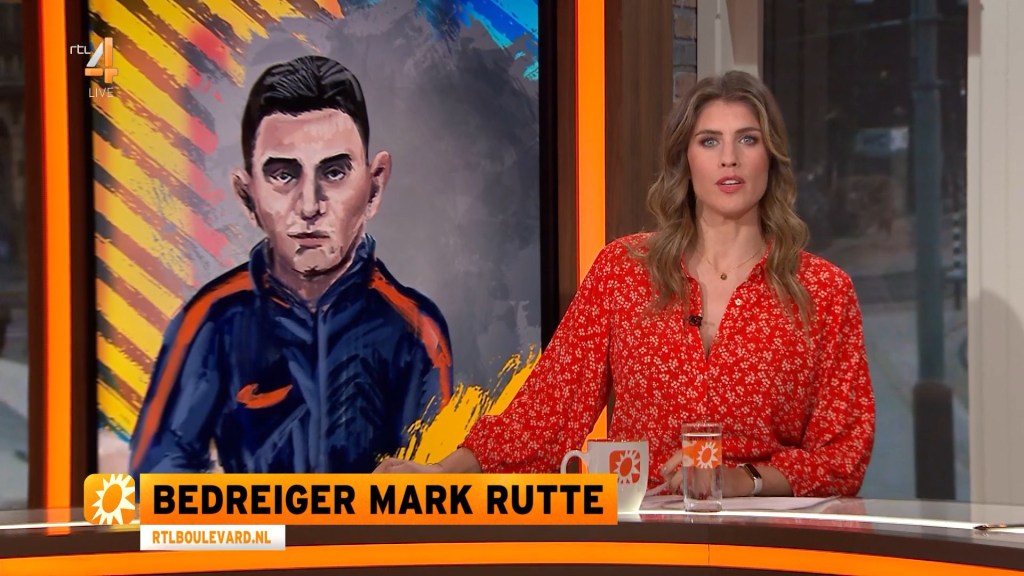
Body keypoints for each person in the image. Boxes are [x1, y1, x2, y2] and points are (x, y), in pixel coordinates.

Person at [375, 70, 875, 498]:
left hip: (768, 541)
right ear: (686, 160)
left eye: (748, 139)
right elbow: (548, 412)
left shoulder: (823, 291)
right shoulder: (624, 270)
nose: (730, 158)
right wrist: (441, 473)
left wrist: (745, 479)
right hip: (645, 538)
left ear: (771, 157)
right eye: (709, 141)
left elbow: (843, 456)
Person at [130, 56, 453, 475]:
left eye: (334, 172)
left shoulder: (416, 329)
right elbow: (154, 481)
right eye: (283, 175)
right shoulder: (212, 320)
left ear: (374, 187)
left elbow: (438, 496)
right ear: (247, 196)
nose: (310, 206)